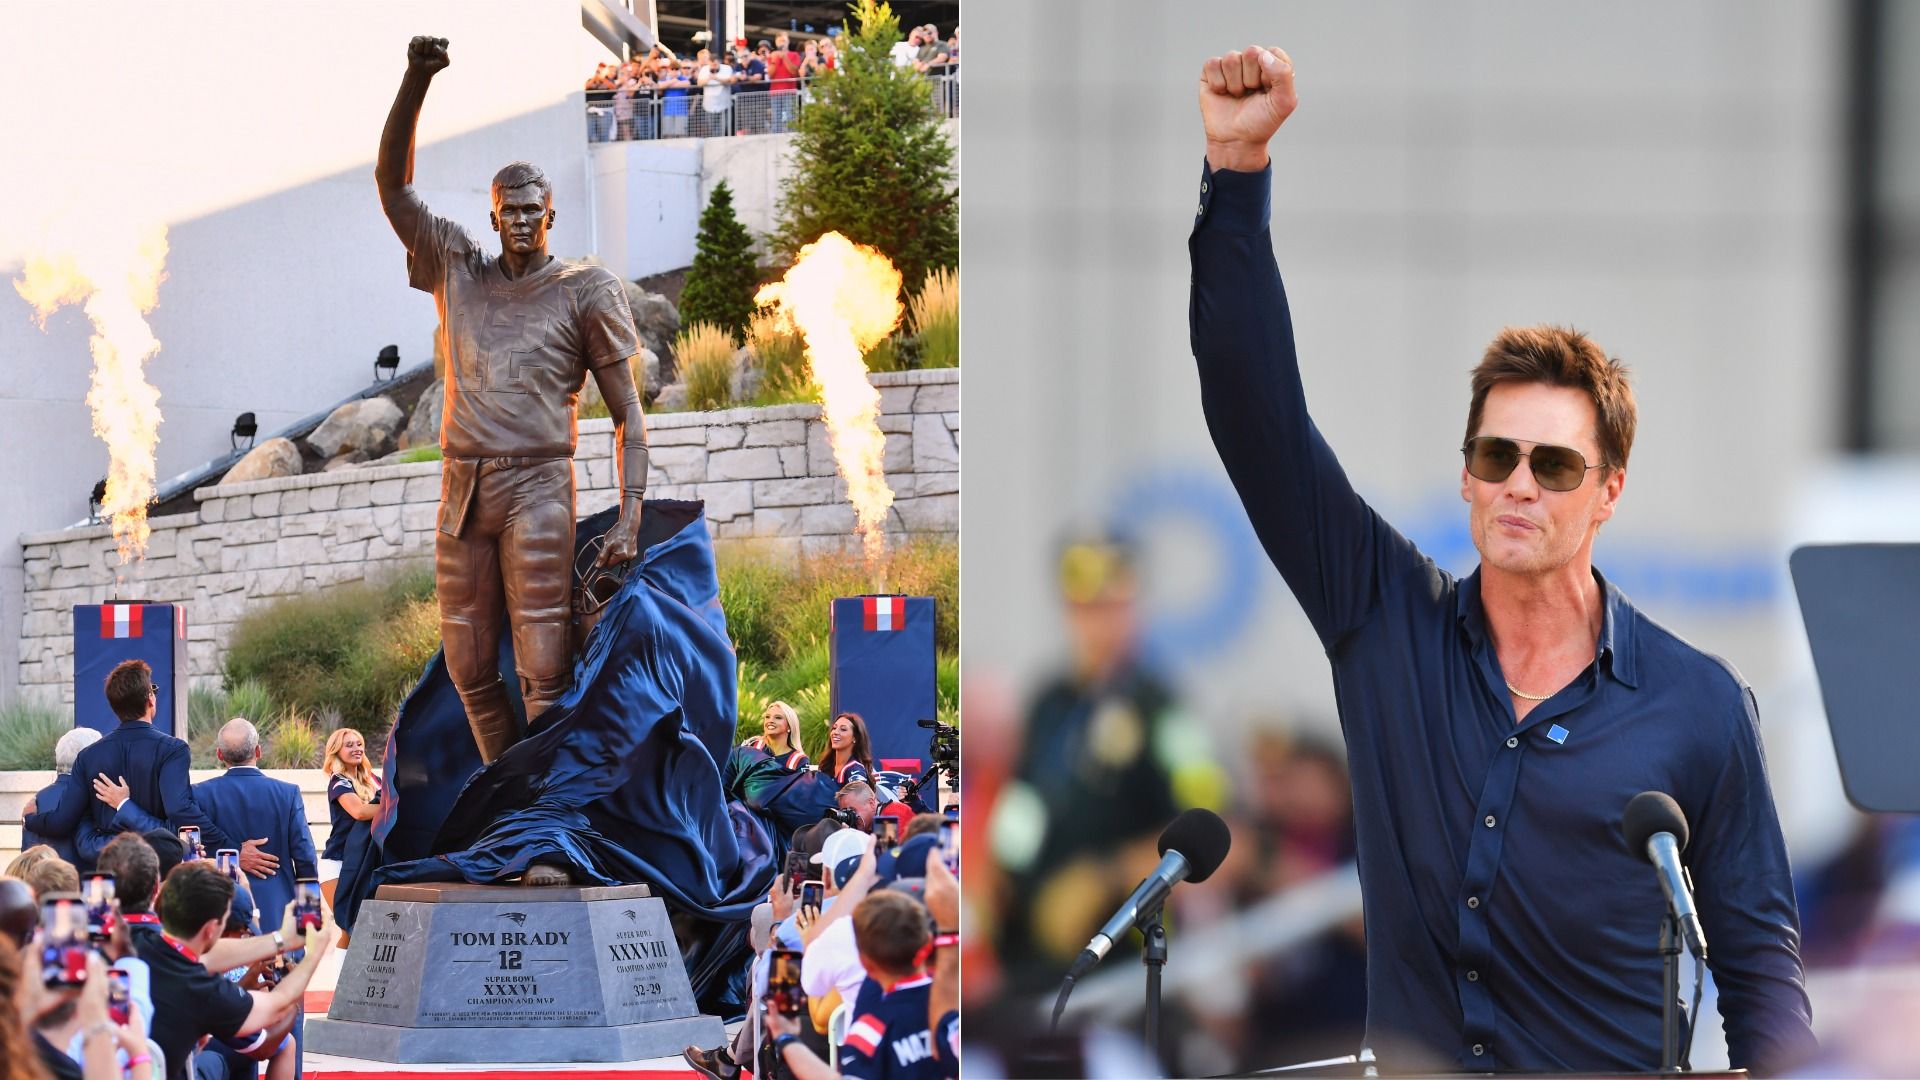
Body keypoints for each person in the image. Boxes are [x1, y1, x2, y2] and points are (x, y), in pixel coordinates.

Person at [1190, 45, 1816, 1073]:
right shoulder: (1382, 619)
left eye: (1556, 463)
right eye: (1498, 454)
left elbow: (1758, 965)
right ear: (1469, 475)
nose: (1521, 482)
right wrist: (1236, 175)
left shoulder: (1698, 704)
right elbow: (1254, 415)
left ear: (1610, 490)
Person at [377, 36, 650, 779]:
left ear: (551, 213)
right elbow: (393, 189)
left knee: (543, 668)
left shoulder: (585, 290)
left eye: (536, 210)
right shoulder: (457, 268)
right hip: (462, 488)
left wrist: (631, 515)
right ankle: (514, 798)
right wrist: (416, 80)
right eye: (511, 211)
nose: (524, 221)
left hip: (538, 486)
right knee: (468, 667)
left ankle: (552, 816)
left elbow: (628, 411)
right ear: (493, 217)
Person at [989, 536, 1221, 994]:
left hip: (1125, 957)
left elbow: (1212, 822)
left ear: (1136, 610)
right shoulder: (1049, 703)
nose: (1100, 624)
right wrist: (993, 879)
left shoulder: (1162, 709)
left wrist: (1101, 878)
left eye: (1113, 607)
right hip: (1031, 956)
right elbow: (1025, 805)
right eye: (1086, 608)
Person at [105, 719, 316, 928]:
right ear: (258, 751)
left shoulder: (199, 795)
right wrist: (310, 917)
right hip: (279, 915)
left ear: (219, 755)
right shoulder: (288, 794)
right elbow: (305, 858)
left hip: (220, 916)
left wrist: (126, 806)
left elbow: (174, 840)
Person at [138, 863, 330, 1080]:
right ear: (212, 929)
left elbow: (208, 955)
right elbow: (276, 1006)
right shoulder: (201, 989)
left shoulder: (134, 939)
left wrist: (282, 939)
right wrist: (314, 954)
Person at [71, 661, 234, 870]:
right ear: (150, 698)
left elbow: (84, 833)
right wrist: (231, 847)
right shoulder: (173, 750)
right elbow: (178, 818)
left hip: (108, 875)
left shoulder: (88, 756)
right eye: (153, 689)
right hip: (162, 875)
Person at [766, 890, 938, 1080]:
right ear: (928, 943)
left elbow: (820, 1020)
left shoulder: (871, 1030)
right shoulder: (952, 1008)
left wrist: (786, 1038)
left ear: (866, 964)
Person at [318, 728, 379, 913]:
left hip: (366, 861)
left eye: (359, 744)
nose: (357, 749)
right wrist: (394, 809)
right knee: (349, 930)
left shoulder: (373, 780)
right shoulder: (338, 782)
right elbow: (359, 812)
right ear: (337, 751)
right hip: (338, 863)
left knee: (367, 929)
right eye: (349, 745)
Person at [21, 727, 102, 863]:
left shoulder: (37, 801)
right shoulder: (99, 796)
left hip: (40, 881)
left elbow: (26, 857)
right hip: (88, 882)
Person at [743, 701, 810, 770]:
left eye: (778, 717)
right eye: (767, 717)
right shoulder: (752, 746)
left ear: (789, 726)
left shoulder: (798, 761)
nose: (770, 721)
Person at [818, 713, 873, 787]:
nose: (835, 732)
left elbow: (859, 797)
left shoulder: (855, 770)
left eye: (843, 729)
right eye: (834, 728)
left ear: (855, 738)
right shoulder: (827, 765)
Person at [766, 33, 802, 133]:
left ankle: (793, 137)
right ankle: (775, 140)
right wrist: (774, 60)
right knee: (776, 119)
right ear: (776, 43)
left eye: (784, 40)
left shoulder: (794, 55)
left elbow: (794, 72)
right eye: (780, 41)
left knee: (791, 117)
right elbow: (770, 74)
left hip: (789, 91)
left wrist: (785, 57)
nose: (782, 43)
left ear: (788, 42)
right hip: (775, 92)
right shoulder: (772, 56)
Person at [694, 48, 733, 137]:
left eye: (715, 63)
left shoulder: (727, 68)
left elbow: (729, 81)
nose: (714, 65)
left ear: (719, 62)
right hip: (709, 105)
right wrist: (708, 78)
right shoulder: (704, 69)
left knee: (724, 128)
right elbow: (699, 83)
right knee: (712, 129)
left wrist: (715, 77)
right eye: (712, 63)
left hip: (724, 104)